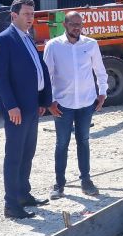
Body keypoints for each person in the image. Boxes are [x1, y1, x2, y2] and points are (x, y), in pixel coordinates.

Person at [0, 0, 53, 219]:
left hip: (31, 106)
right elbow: (1, 77)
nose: (31, 18)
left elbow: (38, 69)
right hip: (16, 109)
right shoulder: (4, 40)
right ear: (13, 15)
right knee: (14, 156)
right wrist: (11, 106)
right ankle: (11, 205)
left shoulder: (27, 37)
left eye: (32, 14)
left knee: (28, 153)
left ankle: (23, 195)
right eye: (26, 14)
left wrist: (42, 101)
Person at [43, 11, 108, 200]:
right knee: (62, 143)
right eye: (73, 24)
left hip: (86, 103)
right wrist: (49, 101)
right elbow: (47, 76)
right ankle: (59, 184)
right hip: (62, 105)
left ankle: (86, 181)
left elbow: (100, 71)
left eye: (80, 24)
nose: (77, 28)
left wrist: (102, 93)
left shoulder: (91, 44)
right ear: (65, 25)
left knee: (84, 141)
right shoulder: (53, 46)